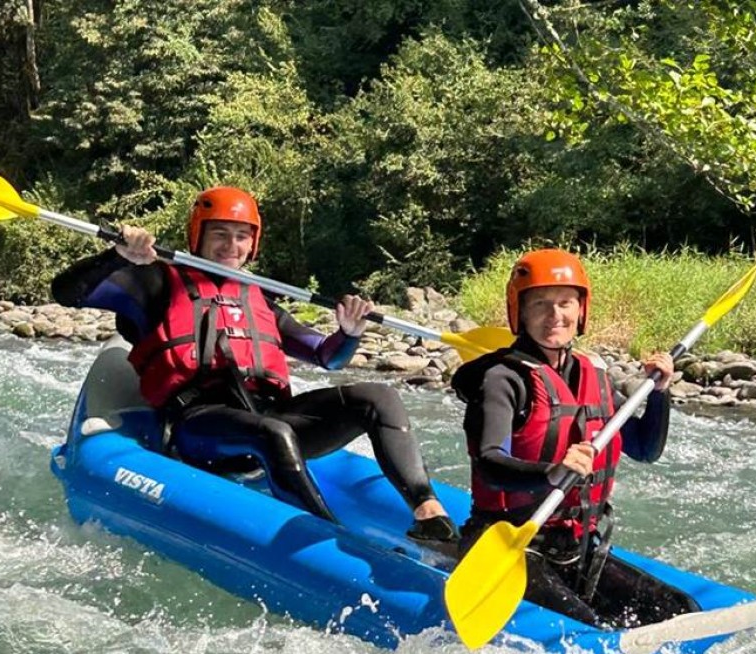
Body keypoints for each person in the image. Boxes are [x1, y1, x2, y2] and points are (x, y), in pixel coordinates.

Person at [51, 185, 458, 541]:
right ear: (198, 236)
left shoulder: (259, 297)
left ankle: (430, 515)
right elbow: (67, 292)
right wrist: (118, 257)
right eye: (220, 234)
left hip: (267, 417)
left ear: (253, 243)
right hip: (200, 425)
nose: (232, 246)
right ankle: (331, 537)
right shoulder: (154, 280)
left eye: (242, 236)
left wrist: (348, 333)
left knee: (378, 397)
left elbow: (326, 356)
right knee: (273, 432)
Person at [450, 248, 697, 627]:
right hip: (509, 546)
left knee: (679, 613)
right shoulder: (502, 380)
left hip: (578, 550)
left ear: (581, 310)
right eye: (541, 303)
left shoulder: (593, 377)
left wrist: (660, 393)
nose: (555, 315)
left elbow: (645, 449)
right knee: (586, 625)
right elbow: (489, 464)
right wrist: (552, 471)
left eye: (566, 303)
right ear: (520, 310)